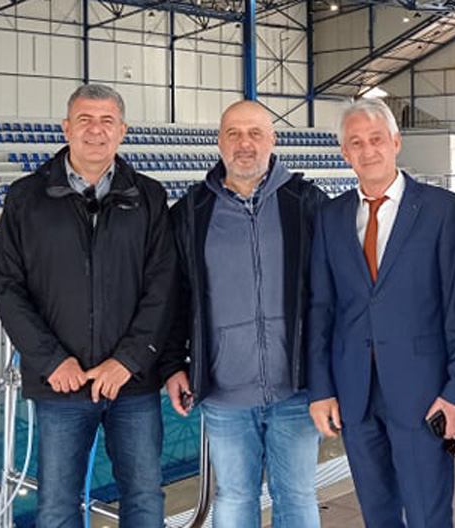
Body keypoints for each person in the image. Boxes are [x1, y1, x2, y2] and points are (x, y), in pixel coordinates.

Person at [0, 84, 176, 527]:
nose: (96, 130)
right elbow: (7, 285)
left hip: (132, 383)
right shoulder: (27, 197)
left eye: (107, 121)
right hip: (61, 384)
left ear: (123, 131)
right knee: (57, 505)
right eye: (85, 120)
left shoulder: (148, 197)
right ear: (66, 128)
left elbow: (164, 286)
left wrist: (127, 361)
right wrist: (52, 361)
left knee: (144, 498)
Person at [306, 98, 455, 528]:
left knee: (427, 516)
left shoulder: (441, 209)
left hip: (424, 392)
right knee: (377, 515)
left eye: (376, 139)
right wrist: (321, 389)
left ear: (396, 142)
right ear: (344, 153)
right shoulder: (330, 217)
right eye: (356, 143)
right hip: (356, 393)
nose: (368, 151)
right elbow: (322, 308)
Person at [161, 100, 328, 528]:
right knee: (235, 498)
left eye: (255, 133)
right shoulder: (192, 212)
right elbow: (175, 297)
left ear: (273, 139)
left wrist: (329, 376)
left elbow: (331, 294)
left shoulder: (306, 203)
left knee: (297, 496)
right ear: (219, 142)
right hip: (224, 391)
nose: (244, 143)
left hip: (295, 388)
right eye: (233, 133)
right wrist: (173, 364)